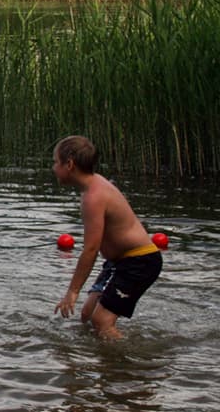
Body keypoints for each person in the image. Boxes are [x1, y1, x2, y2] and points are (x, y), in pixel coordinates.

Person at [52, 135, 162, 339]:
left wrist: (72, 292)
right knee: (87, 315)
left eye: (55, 162)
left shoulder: (93, 197)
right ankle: (101, 358)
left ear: (69, 164)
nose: (53, 167)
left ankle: (127, 364)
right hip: (120, 262)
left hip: (139, 262)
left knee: (101, 321)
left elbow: (91, 249)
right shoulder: (92, 186)